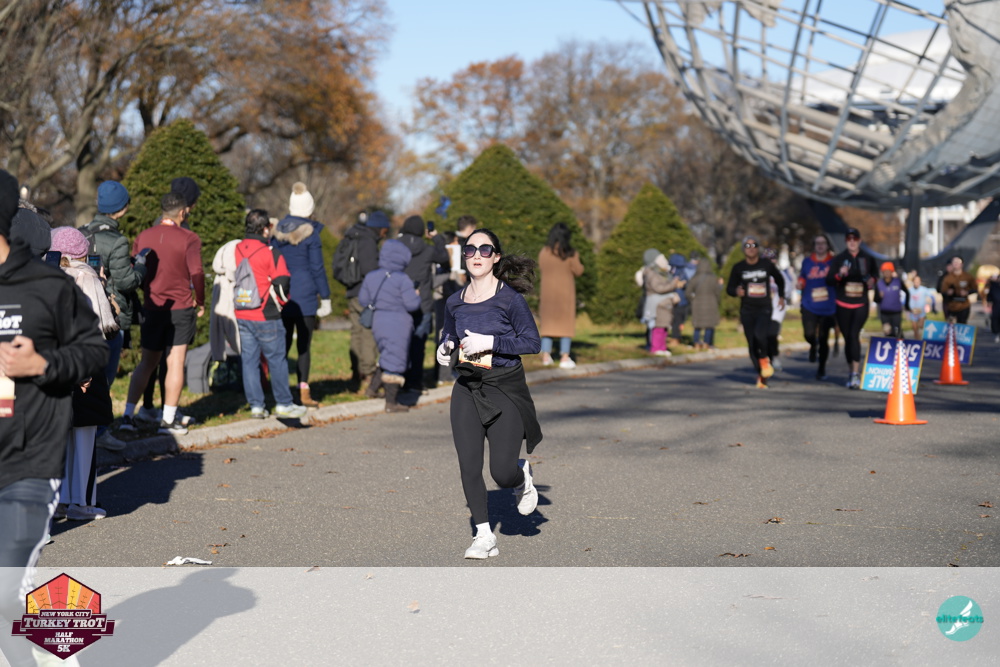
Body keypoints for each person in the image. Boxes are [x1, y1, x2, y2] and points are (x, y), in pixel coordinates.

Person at [0, 169, 107, 667]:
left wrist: (41, 364)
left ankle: (56, 654)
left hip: (28, 456)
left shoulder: (48, 285)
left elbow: (92, 351)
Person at [435, 228, 542, 559]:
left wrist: (491, 342)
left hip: (504, 387)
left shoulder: (510, 299)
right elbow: (449, 333)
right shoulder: (455, 300)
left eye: (485, 250)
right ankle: (483, 535)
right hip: (468, 387)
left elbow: (532, 342)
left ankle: (521, 476)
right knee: (469, 465)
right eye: (470, 250)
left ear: (495, 257)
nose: (477, 255)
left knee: (501, 473)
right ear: (464, 256)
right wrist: (445, 347)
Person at [119, 192, 205, 435]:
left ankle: (127, 415)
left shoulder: (144, 236)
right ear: (182, 212)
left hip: (152, 306)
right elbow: (197, 272)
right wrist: (200, 300)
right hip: (180, 306)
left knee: (147, 362)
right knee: (175, 360)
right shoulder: (189, 238)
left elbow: (135, 269)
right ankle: (167, 419)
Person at [49, 226, 118, 521]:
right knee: (85, 436)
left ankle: (59, 500)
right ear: (82, 252)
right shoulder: (87, 276)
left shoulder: (44, 275)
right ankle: (83, 502)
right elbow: (102, 327)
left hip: (54, 363)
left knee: (61, 436)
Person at [80, 181, 148, 452]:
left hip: (83, 314)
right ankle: (101, 431)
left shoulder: (81, 233)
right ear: (122, 209)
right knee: (105, 378)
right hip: (110, 315)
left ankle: (84, 430)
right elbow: (126, 281)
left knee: (84, 377)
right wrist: (141, 267)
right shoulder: (118, 241)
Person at [232, 210, 307, 420]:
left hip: (242, 310)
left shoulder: (238, 248)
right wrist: (280, 304)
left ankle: (256, 406)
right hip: (265, 313)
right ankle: (284, 403)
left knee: (249, 360)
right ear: (266, 229)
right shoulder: (271, 252)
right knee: (277, 359)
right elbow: (283, 281)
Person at [139, 177, 201, 425]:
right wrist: (198, 297)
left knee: (152, 359)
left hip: (153, 301)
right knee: (167, 359)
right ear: (186, 207)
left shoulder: (154, 227)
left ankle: (148, 408)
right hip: (174, 303)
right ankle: (165, 411)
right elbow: (192, 270)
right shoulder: (182, 231)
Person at [271, 183, 332, 408]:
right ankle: (303, 391)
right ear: (309, 208)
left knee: (282, 345)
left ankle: (280, 391)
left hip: (282, 294)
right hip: (305, 295)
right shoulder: (311, 234)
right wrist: (325, 297)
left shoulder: (276, 233)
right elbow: (317, 268)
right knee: (304, 346)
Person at [358, 239, 422, 412]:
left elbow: (363, 300)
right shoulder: (403, 279)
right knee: (395, 358)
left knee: (386, 354)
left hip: (378, 322)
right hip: (398, 323)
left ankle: (372, 389)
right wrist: (416, 294)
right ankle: (391, 403)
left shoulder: (371, 276)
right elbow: (412, 305)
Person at [397, 215, 449, 393]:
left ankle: (398, 379)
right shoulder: (427, 250)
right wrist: (436, 237)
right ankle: (414, 382)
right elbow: (444, 258)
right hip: (423, 302)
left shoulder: (396, 247)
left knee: (399, 342)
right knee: (418, 344)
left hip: (400, 301)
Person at [726, 235, 785, 388]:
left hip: (764, 307)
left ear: (758, 248)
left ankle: (765, 358)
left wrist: (781, 296)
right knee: (752, 343)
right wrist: (736, 291)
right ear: (743, 249)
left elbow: (780, 279)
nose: (751, 249)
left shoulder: (766, 265)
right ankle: (761, 373)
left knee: (760, 335)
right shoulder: (738, 267)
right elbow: (729, 288)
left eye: (754, 245)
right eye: (747, 246)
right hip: (747, 310)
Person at [342, 210, 390, 393]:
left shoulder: (354, 236)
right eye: (385, 229)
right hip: (365, 294)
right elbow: (370, 270)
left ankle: (356, 372)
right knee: (368, 332)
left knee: (356, 332)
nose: (385, 233)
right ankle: (369, 374)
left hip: (352, 290)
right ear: (379, 228)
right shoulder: (368, 242)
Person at [826, 227, 878, 389]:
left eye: (855, 239)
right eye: (849, 239)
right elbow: (829, 280)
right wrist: (840, 274)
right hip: (843, 303)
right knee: (848, 338)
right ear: (846, 241)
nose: (852, 242)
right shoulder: (839, 259)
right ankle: (851, 371)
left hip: (861, 303)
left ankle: (855, 373)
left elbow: (875, 275)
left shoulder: (867, 258)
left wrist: (872, 281)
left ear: (859, 241)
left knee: (854, 334)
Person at [537, 222, 584, 368]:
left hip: (548, 294)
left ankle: (546, 356)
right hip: (565, 294)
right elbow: (579, 271)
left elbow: (541, 267)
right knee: (566, 326)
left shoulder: (544, 252)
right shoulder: (570, 253)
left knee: (547, 326)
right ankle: (564, 357)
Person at [797, 234, 837, 380]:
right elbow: (802, 276)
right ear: (814, 246)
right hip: (809, 304)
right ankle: (813, 345)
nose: (820, 245)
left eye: (823, 243)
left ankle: (821, 368)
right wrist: (800, 282)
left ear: (828, 245)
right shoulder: (807, 261)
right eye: (817, 243)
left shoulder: (834, 262)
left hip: (828, 306)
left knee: (824, 338)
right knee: (809, 334)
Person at [640, 250, 683, 357]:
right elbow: (658, 288)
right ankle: (656, 348)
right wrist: (673, 284)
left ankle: (662, 347)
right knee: (658, 328)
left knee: (664, 328)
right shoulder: (652, 273)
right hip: (657, 305)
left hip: (664, 305)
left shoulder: (661, 272)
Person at [763, 248, 792, 372]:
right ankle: (765, 358)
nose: (770, 261)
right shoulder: (760, 273)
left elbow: (788, 290)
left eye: (772, 259)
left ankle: (773, 356)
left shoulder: (780, 274)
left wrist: (779, 293)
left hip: (776, 311)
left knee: (772, 335)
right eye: (767, 259)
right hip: (762, 310)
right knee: (762, 336)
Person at [686, 255, 721, 350]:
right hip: (711, 303)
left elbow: (688, 292)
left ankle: (696, 343)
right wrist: (717, 301)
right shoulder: (713, 278)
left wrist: (693, 300)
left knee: (697, 325)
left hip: (697, 304)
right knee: (709, 325)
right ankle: (707, 343)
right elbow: (717, 292)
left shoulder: (695, 278)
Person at [874, 261, 910, 338]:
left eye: (888, 271)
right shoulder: (879, 284)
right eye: (885, 271)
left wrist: (907, 306)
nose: (887, 273)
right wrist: (879, 297)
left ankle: (900, 344)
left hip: (896, 312)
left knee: (897, 332)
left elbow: (907, 292)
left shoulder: (898, 281)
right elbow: (875, 300)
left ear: (892, 272)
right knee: (887, 332)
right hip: (884, 313)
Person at [939, 255, 975, 324]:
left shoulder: (967, 277)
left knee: (962, 324)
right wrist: (947, 292)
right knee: (951, 325)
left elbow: (975, 289)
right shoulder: (947, 277)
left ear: (962, 264)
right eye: (954, 262)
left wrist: (967, 292)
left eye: (958, 262)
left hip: (963, 305)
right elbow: (941, 290)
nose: (956, 264)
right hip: (950, 305)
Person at [906, 272, 935, 339]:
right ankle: (917, 340)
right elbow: (905, 300)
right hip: (913, 311)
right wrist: (907, 309)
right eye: (915, 281)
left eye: (918, 281)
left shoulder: (923, 289)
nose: (917, 283)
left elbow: (932, 296)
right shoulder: (909, 290)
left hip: (921, 311)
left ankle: (923, 338)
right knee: (915, 328)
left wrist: (932, 306)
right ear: (913, 282)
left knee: (921, 326)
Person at [984, 271, 1000, 342]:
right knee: (995, 319)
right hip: (996, 305)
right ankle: (996, 333)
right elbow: (989, 295)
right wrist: (989, 302)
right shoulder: (994, 286)